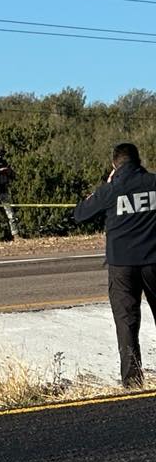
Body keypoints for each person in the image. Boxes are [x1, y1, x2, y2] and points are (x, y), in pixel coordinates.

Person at [73, 143, 156, 387]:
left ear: (114, 165)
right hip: (154, 261)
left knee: (126, 322)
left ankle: (133, 381)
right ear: (138, 160)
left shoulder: (111, 190)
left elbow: (80, 214)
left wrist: (108, 185)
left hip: (122, 265)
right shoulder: (153, 182)